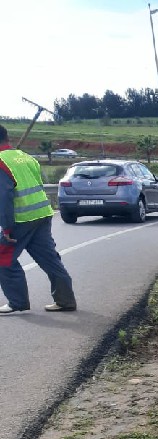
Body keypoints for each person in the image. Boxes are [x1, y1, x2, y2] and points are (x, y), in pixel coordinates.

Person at [0, 124, 77, 314]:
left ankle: (17, 302)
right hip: (42, 214)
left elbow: (4, 196)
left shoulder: (1, 161)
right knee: (49, 259)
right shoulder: (25, 157)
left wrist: (6, 229)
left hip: (21, 218)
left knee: (3, 258)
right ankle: (65, 300)